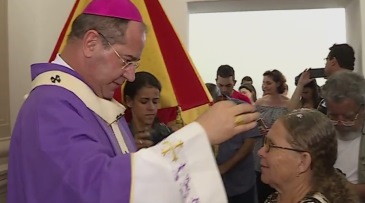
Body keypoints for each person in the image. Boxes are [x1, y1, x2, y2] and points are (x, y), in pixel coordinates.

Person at [6, 0, 259, 202]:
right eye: (127, 60)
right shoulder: (52, 106)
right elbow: (97, 190)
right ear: (91, 43)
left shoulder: (84, 101)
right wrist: (200, 133)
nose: (131, 74)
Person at [259, 109, 357, 203]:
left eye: (271, 145)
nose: (260, 152)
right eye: (265, 143)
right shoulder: (275, 198)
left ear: (302, 162)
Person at [322, 71, 365, 202]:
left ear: (363, 109)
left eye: (348, 117)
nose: (340, 123)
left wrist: (346, 189)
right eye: (333, 116)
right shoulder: (319, 134)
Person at [254, 69, 289, 203]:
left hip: (279, 149)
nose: (264, 86)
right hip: (260, 148)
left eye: (268, 83)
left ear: (278, 84)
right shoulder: (259, 103)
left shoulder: (287, 103)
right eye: (263, 83)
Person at [123, 71, 171, 149]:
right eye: (144, 102)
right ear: (129, 101)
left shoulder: (167, 135)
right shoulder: (120, 136)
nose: (151, 107)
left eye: (155, 102)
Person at [317, 43, 356, 114]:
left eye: (326, 60)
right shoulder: (358, 87)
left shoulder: (335, 89)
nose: (325, 64)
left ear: (333, 61)